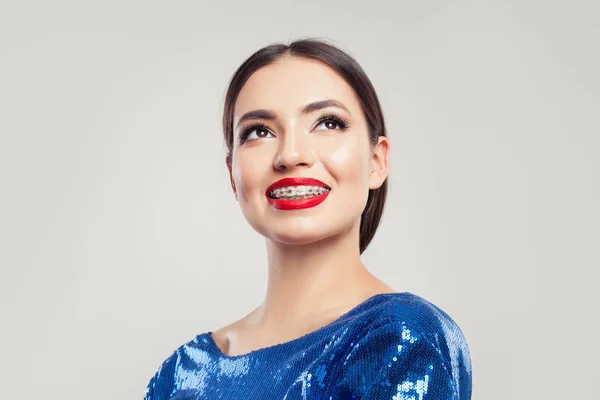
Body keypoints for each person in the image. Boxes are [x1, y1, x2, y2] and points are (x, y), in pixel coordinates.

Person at [143, 38, 472, 399]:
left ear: (377, 162)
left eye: (328, 123)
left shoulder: (404, 337)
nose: (291, 154)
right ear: (232, 173)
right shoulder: (180, 374)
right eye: (259, 131)